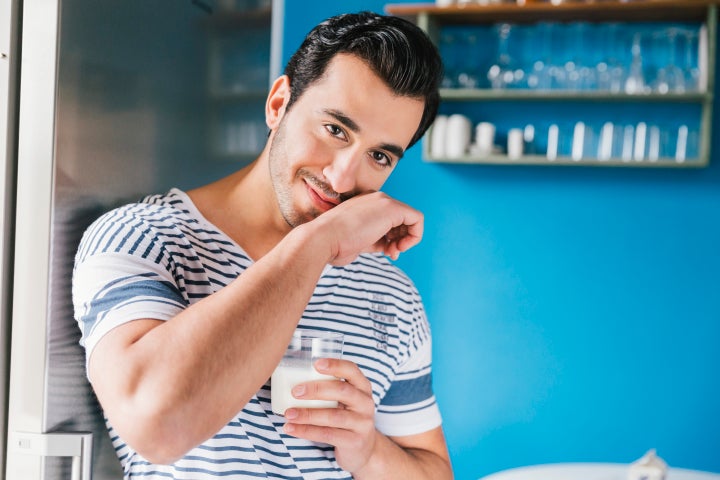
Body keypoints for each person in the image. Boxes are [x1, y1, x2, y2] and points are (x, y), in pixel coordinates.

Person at [73, 10, 452, 480]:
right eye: (335, 129)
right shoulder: (143, 237)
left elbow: (434, 471)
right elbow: (157, 426)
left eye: (378, 156)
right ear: (278, 103)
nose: (341, 178)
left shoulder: (390, 295)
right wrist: (320, 242)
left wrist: (370, 451)